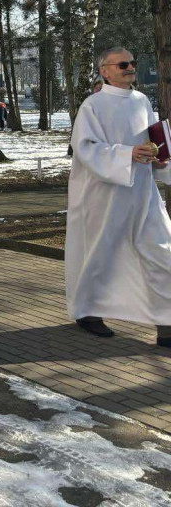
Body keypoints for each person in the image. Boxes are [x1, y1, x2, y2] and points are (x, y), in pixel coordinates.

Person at [65, 47, 171, 347]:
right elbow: (85, 148)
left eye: (132, 63)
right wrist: (126, 155)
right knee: (100, 254)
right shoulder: (93, 106)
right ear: (105, 71)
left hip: (141, 191)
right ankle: (87, 311)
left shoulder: (141, 101)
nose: (130, 68)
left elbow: (151, 140)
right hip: (103, 193)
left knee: (163, 251)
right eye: (122, 64)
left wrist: (160, 159)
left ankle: (167, 324)